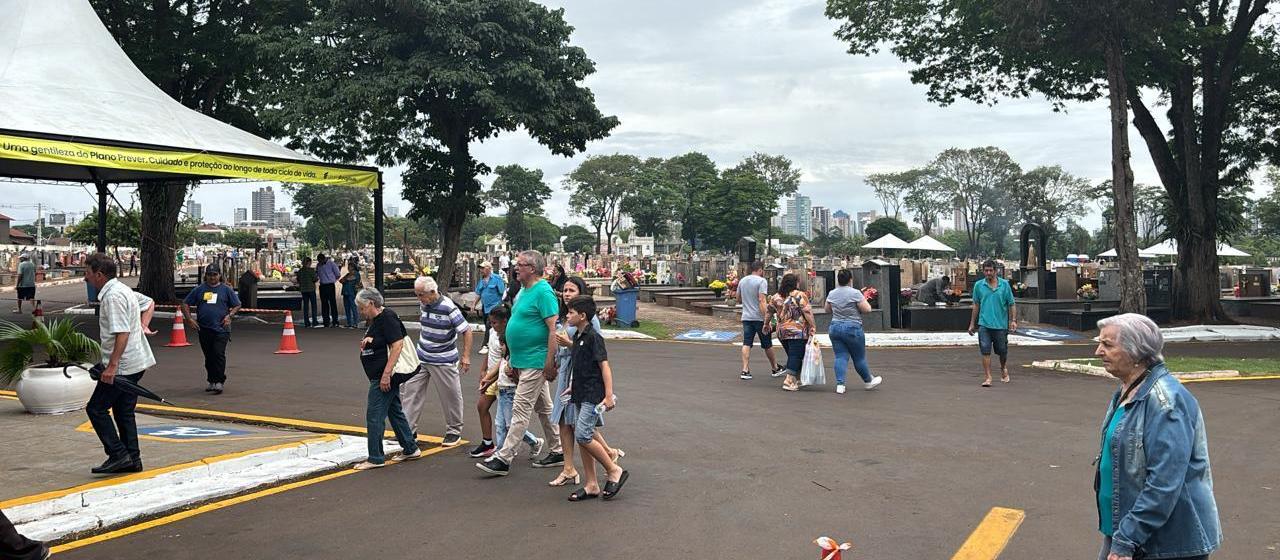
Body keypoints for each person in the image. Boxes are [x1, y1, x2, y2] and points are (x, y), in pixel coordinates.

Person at [1092, 314, 1220, 560]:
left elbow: (1164, 482)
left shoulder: (1166, 401)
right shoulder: (1127, 389)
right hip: (1126, 532)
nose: (1098, 351)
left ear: (1137, 351)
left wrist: (1127, 539)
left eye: (1108, 345)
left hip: (1166, 544)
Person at [476, 250, 563, 476]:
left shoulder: (543, 292)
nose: (515, 267)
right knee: (544, 408)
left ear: (532, 269)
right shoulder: (524, 291)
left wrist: (549, 362)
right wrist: (512, 358)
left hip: (536, 360)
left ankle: (504, 457)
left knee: (520, 408)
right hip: (522, 359)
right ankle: (558, 448)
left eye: (520, 264)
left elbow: (553, 329)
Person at [83, 252, 155, 474]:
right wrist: (143, 326)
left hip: (123, 365)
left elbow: (121, 333)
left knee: (96, 409)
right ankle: (133, 458)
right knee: (123, 411)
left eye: (87, 273)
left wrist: (112, 366)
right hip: (136, 361)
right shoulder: (123, 289)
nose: (85, 278)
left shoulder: (112, 297)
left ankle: (118, 454)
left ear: (99, 274)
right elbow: (149, 302)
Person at [548, 277, 621, 486]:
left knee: (581, 429)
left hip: (585, 382)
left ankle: (609, 463)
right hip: (572, 379)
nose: (567, 293)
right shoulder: (571, 322)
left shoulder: (589, 327)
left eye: (572, 290)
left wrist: (608, 394)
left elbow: (599, 360)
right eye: (565, 290)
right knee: (569, 422)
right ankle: (581, 474)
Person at [561, 295, 629, 501]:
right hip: (580, 392)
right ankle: (591, 484)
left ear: (582, 316)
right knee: (582, 437)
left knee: (583, 434)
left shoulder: (593, 337)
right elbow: (582, 366)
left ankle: (613, 469)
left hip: (593, 393)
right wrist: (573, 386)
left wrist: (608, 395)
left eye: (571, 312)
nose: (567, 315)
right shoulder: (578, 338)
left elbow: (604, 366)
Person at [351, 288, 422, 470]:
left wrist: (386, 374)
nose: (360, 311)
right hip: (381, 374)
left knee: (374, 416)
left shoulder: (387, 317)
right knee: (394, 411)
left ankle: (375, 457)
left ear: (371, 304)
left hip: (384, 376)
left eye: (361, 307)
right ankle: (410, 447)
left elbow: (397, 345)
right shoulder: (377, 320)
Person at [400, 276, 471, 447]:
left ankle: (454, 431)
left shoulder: (448, 307)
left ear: (433, 292)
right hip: (422, 355)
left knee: (450, 396)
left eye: (421, 295)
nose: (419, 299)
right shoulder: (425, 303)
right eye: (417, 295)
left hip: (443, 359)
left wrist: (466, 356)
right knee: (411, 392)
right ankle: (408, 431)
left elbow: (466, 330)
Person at [469, 304, 542, 459]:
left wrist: (499, 377)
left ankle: (527, 444)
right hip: (501, 383)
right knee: (500, 424)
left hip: (509, 386)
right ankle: (500, 451)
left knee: (510, 425)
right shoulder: (496, 336)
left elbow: (509, 362)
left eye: (495, 322)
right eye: (491, 323)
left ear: (505, 321)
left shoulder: (512, 338)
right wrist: (486, 376)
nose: (492, 326)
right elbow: (497, 358)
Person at [181, 265, 241, 395]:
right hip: (204, 328)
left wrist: (229, 315)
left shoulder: (226, 290)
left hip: (221, 329)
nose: (212, 277)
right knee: (209, 356)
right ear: (206, 276)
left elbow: (237, 304)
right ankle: (211, 380)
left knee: (218, 354)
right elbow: (185, 304)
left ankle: (219, 381)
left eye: (214, 274)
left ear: (219, 275)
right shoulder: (199, 290)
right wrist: (189, 319)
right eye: (209, 275)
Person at [825, 269, 882, 394]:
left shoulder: (832, 293)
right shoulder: (855, 293)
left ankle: (840, 384)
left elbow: (827, 309)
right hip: (852, 327)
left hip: (835, 327)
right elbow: (867, 309)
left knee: (840, 356)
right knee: (859, 357)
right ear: (850, 279)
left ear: (838, 280)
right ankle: (868, 380)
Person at [967, 260, 1017, 387]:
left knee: (1002, 350)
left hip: (1000, 325)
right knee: (985, 350)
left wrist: (1013, 321)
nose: (988, 273)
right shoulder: (979, 286)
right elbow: (976, 305)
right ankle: (988, 376)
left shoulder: (1004, 285)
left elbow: (1011, 304)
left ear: (996, 271)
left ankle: (1003, 367)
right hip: (984, 324)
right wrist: (972, 323)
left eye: (990, 270)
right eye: (986, 270)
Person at [766, 272, 816, 392]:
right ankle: (788, 381)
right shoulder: (799, 295)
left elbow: (769, 311)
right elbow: (807, 312)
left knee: (793, 354)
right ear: (796, 283)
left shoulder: (776, 297)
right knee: (796, 355)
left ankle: (798, 379)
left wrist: (765, 324)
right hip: (797, 330)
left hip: (781, 331)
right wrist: (813, 325)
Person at [737, 260, 785, 380]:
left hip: (746, 316)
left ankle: (745, 369)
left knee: (747, 342)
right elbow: (762, 300)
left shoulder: (742, 280)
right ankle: (775, 367)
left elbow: (738, 298)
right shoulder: (761, 281)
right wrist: (766, 319)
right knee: (767, 343)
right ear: (760, 270)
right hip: (758, 317)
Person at [474, 261, 506, 353]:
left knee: (489, 325)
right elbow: (479, 293)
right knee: (488, 325)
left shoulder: (497, 278)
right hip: (485, 307)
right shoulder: (482, 281)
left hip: (495, 306)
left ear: (489, 268)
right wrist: (474, 304)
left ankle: (485, 345)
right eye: (481, 268)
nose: (481, 270)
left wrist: (500, 304)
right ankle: (494, 343)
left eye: (483, 268)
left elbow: (501, 292)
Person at [316, 253, 341, 328]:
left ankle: (335, 321)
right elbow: (317, 274)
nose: (319, 263)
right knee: (324, 304)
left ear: (323, 259)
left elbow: (338, 274)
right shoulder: (318, 265)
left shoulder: (331, 264)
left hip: (330, 285)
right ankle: (326, 321)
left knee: (332, 303)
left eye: (320, 261)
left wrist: (333, 280)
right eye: (318, 261)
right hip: (322, 286)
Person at [295, 256, 320, 328]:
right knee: (313, 305)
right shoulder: (311, 270)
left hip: (303, 290)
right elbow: (315, 279)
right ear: (309, 263)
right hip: (311, 290)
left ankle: (307, 322)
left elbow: (298, 280)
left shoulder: (300, 271)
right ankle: (314, 321)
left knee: (306, 306)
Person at [340, 259, 362, 328]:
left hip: (351, 292)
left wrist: (346, 279)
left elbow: (348, 279)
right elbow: (341, 280)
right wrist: (346, 278)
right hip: (345, 292)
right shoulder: (348, 274)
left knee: (353, 307)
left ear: (353, 267)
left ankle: (356, 322)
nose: (348, 268)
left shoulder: (356, 274)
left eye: (350, 266)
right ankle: (349, 322)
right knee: (347, 308)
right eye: (348, 267)